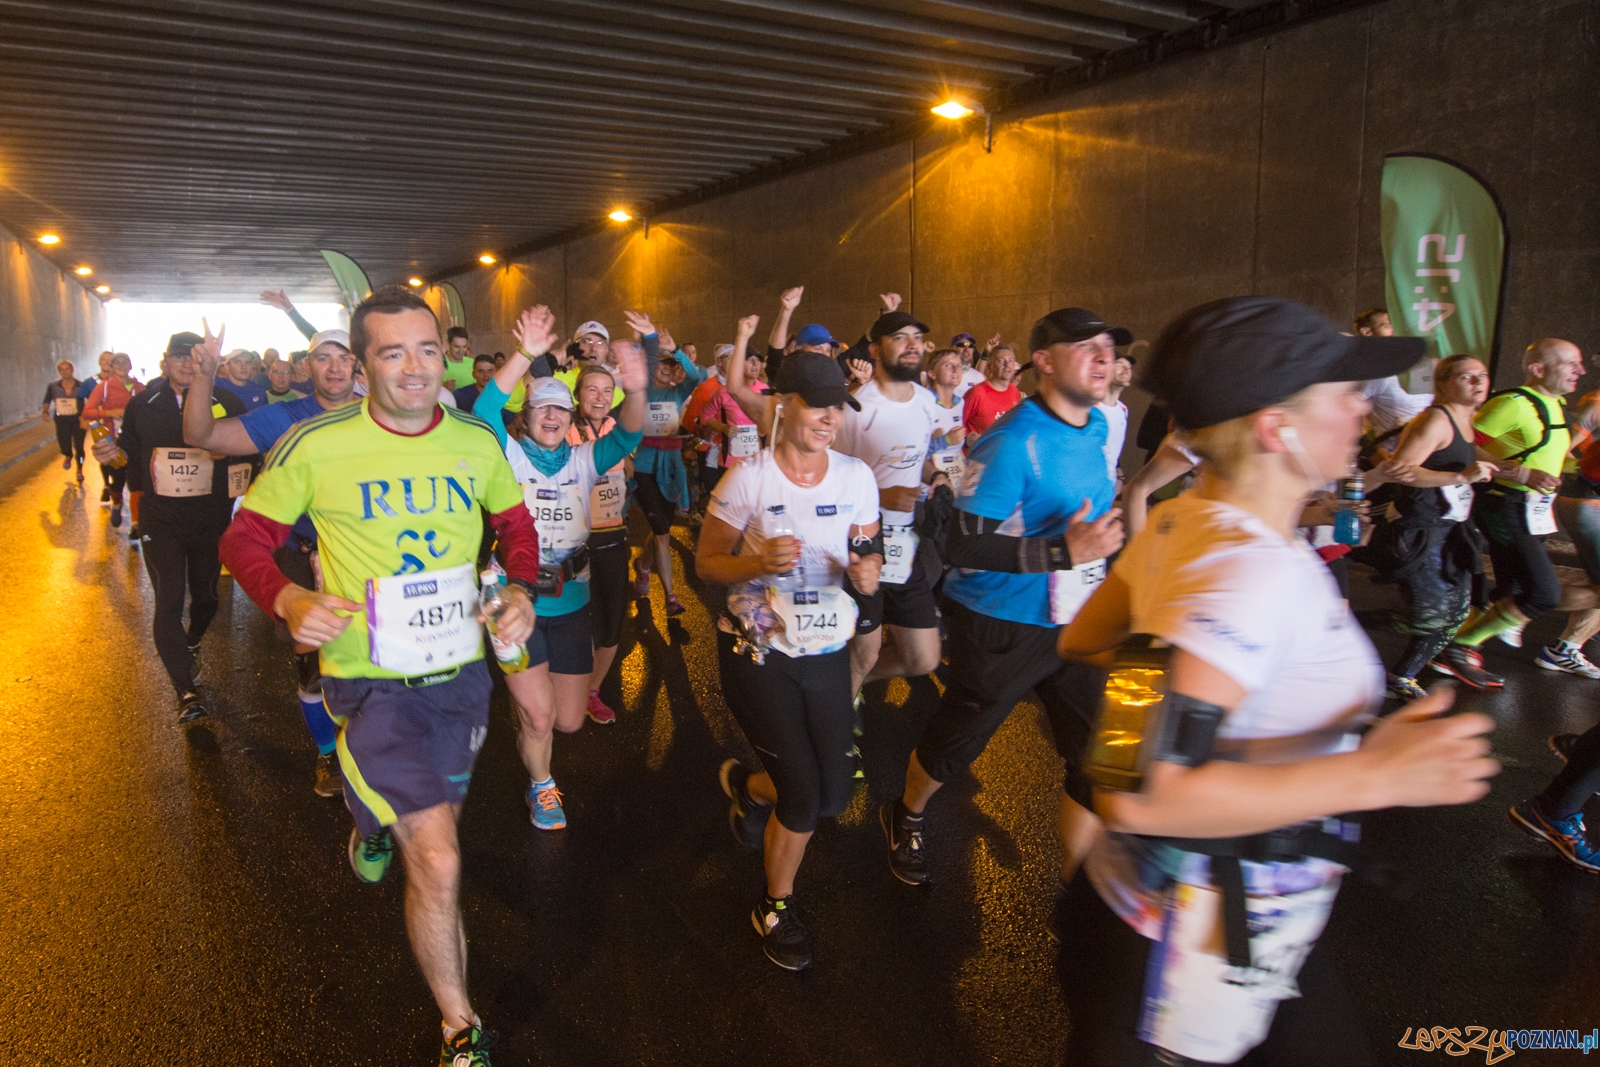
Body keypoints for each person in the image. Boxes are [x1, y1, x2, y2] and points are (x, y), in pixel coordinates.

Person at [1055, 295, 1498, 1065]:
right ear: (1276, 427)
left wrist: (1163, 687)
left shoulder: (1190, 519)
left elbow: (1091, 636)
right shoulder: (1242, 570)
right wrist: (1372, 772)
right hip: (1179, 953)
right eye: (1345, 393)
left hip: (1204, 917)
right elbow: (1139, 789)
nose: (1367, 408)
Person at [220, 286, 539, 1065]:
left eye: (427, 349)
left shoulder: (474, 438)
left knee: (431, 829)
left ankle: (369, 822)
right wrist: (290, 595)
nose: (415, 368)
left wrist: (521, 587)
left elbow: (516, 523)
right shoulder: (317, 443)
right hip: (371, 680)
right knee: (437, 855)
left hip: (461, 673)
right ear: (361, 368)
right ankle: (460, 1026)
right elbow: (244, 540)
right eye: (392, 353)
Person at [882, 307, 1127, 890]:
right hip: (1001, 620)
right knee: (958, 742)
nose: (1104, 357)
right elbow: (964, 544)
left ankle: (1081, 887)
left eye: (1108, 347)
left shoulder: (1095, 425)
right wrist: (1063, 552)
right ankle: (908, 812)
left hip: (1074, 618)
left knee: (1096, 750)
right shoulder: (1011, 441)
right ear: (1042, 361)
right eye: (1085, 346)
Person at [697, 348, 883, 971]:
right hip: (758, 651)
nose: (831, 417)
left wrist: (867, 573)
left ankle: (750, 792)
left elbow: (870, 550)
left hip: (825, 648)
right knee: (803, 796)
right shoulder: (749, 477)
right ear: (784, 405)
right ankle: (775, 905)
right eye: (819, 405)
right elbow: (707, 563)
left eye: (839, 406)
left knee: (833, 798)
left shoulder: (856, 478)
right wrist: (756, 562)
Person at [474, 307, 646, 828]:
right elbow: (484, 409)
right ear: (525, 417)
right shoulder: (507, 453)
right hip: (516, 599)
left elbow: (630, 434)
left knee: (570, 721)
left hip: (573, 601)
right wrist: (526, 353)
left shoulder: (584, 458)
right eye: (541, 410)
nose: (552, 418)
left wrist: (635, 391)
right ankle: (542, 785)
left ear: (571, 421)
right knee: (542, 716)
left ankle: (531, 720)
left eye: (561, 412)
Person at [183, 328, 359, 796]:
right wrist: (204, 377)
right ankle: (327, 755)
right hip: (301, 553)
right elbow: (201, 434)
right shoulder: (285, 417)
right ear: (308, 367)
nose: (336, 367)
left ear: (358, 364)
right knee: (313, 662)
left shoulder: (379, 415)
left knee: (370, 661)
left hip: (362, 555)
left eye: (345, 357)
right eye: (324, 358)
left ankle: (370, 756)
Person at [92, 328, 249, 723]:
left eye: (194, 356)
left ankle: (191, 642)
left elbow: (249, 451)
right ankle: (185, 691)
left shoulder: (226, 400)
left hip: (209, 519)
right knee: (169, 599)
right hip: (160, 520)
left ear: (206, 361)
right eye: (178, 357)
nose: (186, 363)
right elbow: (128, 451)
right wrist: (112, 454)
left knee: (207, 598)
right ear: (165, 361)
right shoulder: (145, 402)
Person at [1435, 339, 1584, 683]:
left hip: (1531, 508)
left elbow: (1540, 450)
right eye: (1571, 363)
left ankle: (1448, 649)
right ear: (1537, 369)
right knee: (1543, 593)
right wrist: (1520, 472)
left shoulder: (1556, 403)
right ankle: (1460, 644)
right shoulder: (1513, 405)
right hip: (1503, 505)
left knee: (1513, 588)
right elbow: (1465, 444)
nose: (1582, 370)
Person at [1359, 355, 1497, 699]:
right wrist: (1460, 476)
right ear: (1443, 384)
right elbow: (1401, 469)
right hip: (1419, 528)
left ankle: (1401, 673)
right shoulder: (1435, 420)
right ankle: (1361, 629)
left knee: (1459, 610)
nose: (1478, 382)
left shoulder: (1466, 420)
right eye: (1467, 377)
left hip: (1450, 527)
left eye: (1482, 375)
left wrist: (1510, 471)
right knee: (1431, 615)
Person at [832, 308, 946, 698]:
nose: (913, 344)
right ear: (877, 349)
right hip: (863, 542)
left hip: (906, 543)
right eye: (901, 337)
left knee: (923, 658)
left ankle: (842, 689)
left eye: (917, 336)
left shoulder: (927, 402)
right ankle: (837, 724)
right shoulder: (854, 409)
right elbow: (833, 482)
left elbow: (919, 457)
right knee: (864, 652)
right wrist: (884, 496)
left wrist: (940, 477)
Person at [568, 361, 635, 724]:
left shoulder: (615, 428)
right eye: (592, 389)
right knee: (576, 621)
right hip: (575, 543)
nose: (600, 397)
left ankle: (593, 690)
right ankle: (569, 687)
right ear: (578, 395)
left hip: (613, 537)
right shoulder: (564, 430)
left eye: (607, 391)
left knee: (611, 621)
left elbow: (628, 471)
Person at [626, 310, 705, 616]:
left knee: (662, 531)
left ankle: (643, 565)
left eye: (670, 365)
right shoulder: (642, 391)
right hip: (644, 467)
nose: (666, 369)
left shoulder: (678, 390)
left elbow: (698, 376)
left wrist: (675, 350)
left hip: (671, 468)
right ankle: (671, 597)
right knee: (662, 533)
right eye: (661, 364)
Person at [83, 351, 145, 532]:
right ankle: (116, 503)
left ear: (131, 365)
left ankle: (136, 522)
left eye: (125, 362)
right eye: (116, 363)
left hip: (137, 440)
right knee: (117, 480)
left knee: (137, 481)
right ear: (111, 366)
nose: (121, 365)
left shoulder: (140, 388)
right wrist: (109, 413)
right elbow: (88, 412)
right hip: (114, 441)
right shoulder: (104, 386)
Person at [1354, 308, 1432, 438]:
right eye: (1387, 325)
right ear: (1367, 332)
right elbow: (1342, 408)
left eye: (1396, 324)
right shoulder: (1372, 371)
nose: (1395, 330)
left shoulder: (1417, 364)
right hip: (1389, 452)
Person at [923, 347, 968, 492]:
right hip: (927, 490)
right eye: (948, 365)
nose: (956, 370)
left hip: (954, 485)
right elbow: (912, 452)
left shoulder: (960, 403)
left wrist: (968, 441)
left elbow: (955, 447)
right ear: (932, 373)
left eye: (959, 365)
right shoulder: (923, 402)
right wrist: (946, 440)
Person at [961, 342, 1021, 440]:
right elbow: (956, 425)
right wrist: (966, 442)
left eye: (1011, 361)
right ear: (990, 367)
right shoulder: (977, 393)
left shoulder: (1014, 391)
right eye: (1001, 361)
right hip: (978, 454)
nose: (1007, 365)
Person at [42, 359, 87, 482]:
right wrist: (45, 411)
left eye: (67, 369)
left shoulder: (82, 386)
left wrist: (88, 416)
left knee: (79, 447)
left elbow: (90, 400)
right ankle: (68, 455)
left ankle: (80, 469)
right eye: (62, 370)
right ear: (59, 372)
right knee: (64, 445)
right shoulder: (53, 386)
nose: (65, 372)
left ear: (72, 370)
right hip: (61, 421)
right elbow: (47, 400)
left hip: (78, 420)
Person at [1098, 348, 1134, 484]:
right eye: (1119, 365)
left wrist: (1118, 475)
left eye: (1129, 367)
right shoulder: (1089, 408)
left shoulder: (1123, 409)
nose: (1126, 369)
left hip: (1109, 484)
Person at [950, 333, 988, 399]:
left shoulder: (980, 377)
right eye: (962, 345)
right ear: (952, 348)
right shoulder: (943, 375)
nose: (966, 349)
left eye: (970, 346)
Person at [441, 326, 475, 391]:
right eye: (457, 347)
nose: (461, 351)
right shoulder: (439, 363)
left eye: (464, 347)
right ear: (449, 343)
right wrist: (443, 388)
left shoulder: (473, 363)